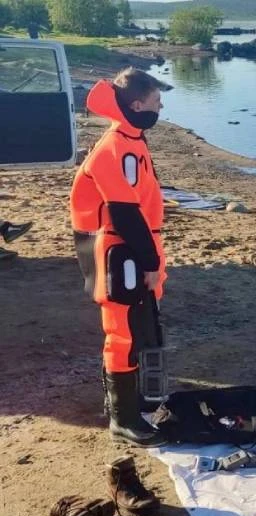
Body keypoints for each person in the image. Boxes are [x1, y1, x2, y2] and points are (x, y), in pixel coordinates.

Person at [69, 67, 168, 447]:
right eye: (157, 102)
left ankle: (138, 401)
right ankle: (122, 417)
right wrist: (150, 265)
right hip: (116, 251)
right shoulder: (116, 147)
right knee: (122, 333)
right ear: (138, 104)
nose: (161, 108)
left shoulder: (133, 140)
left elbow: (138, 207)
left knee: (140, 326)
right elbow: (125, 213)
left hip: (130, 247)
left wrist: (153, 260)